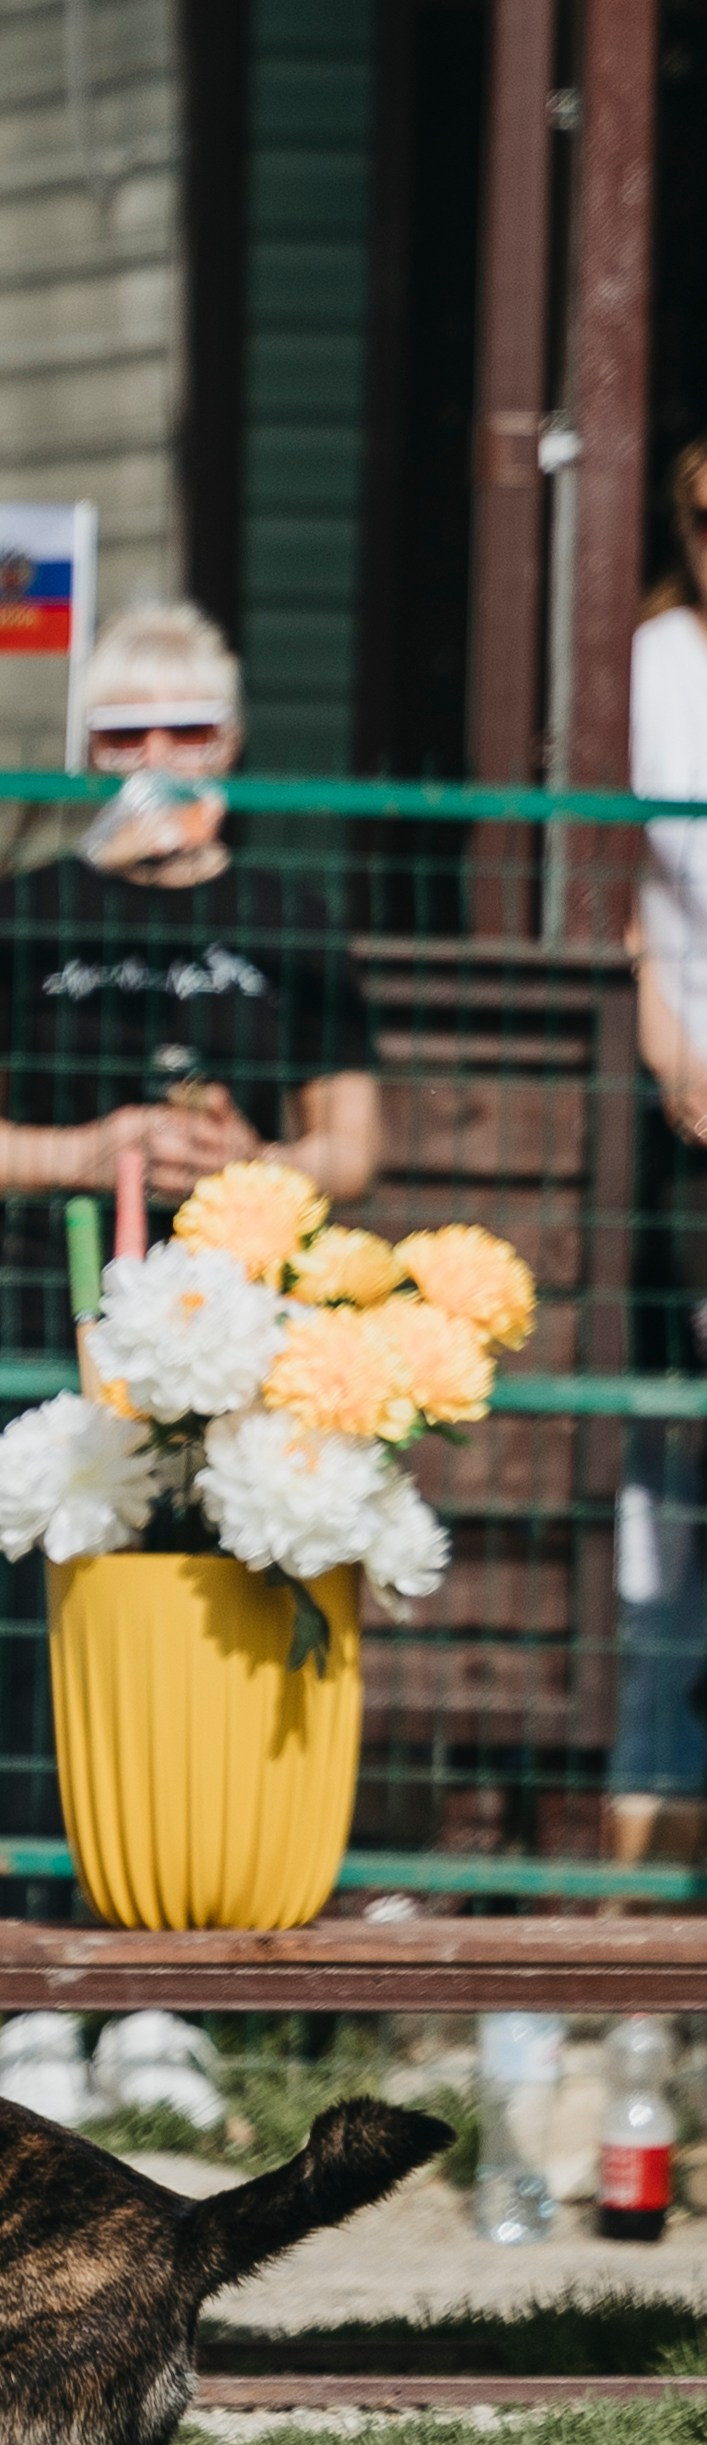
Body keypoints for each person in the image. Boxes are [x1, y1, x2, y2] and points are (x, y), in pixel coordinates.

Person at [0, 601, 381, 1948]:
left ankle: (184, 1953)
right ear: (85, 750)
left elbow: (354, 1141)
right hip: (46, 1312)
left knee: (213, 1611)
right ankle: (39, 1947)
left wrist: (250, 1158)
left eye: (188, 730)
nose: (158, 757)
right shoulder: (27, 909)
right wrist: (84, 1148)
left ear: (236, 744)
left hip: (235, 1330)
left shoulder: (289, 911)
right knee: (44, 1622)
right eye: (124, 732)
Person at [615, 437, 707, 1866]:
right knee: (671, 1479)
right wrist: (668, 1037)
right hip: (695, 1110)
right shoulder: (658, 670)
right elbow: (625, 877)